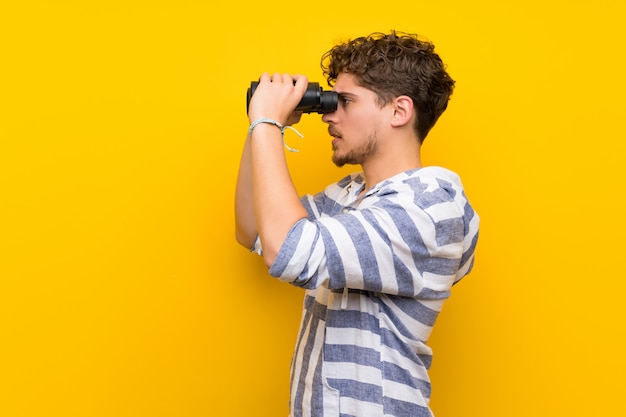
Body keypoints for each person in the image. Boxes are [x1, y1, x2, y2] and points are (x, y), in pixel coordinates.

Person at [235, 30, 479, 417]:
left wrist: (267, 119)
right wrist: (264, 128)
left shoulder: (428, 207)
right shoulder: (352, 196)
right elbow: (253, 228)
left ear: (400, 111)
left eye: (345, 101)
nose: (330, 114)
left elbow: (288, 250)